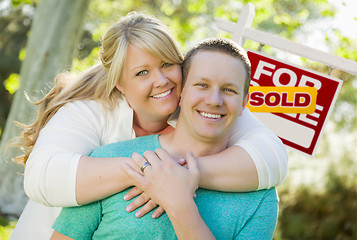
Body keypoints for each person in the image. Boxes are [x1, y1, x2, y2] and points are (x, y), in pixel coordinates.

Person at [10, 12, 286, 240]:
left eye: (167, 64)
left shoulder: (204, 102)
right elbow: (40, 178)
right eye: (142, 72)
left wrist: (176, 177)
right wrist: (145, 170)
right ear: (119, 83)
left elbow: (272, 157)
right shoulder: (91, 112)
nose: (162, 81)